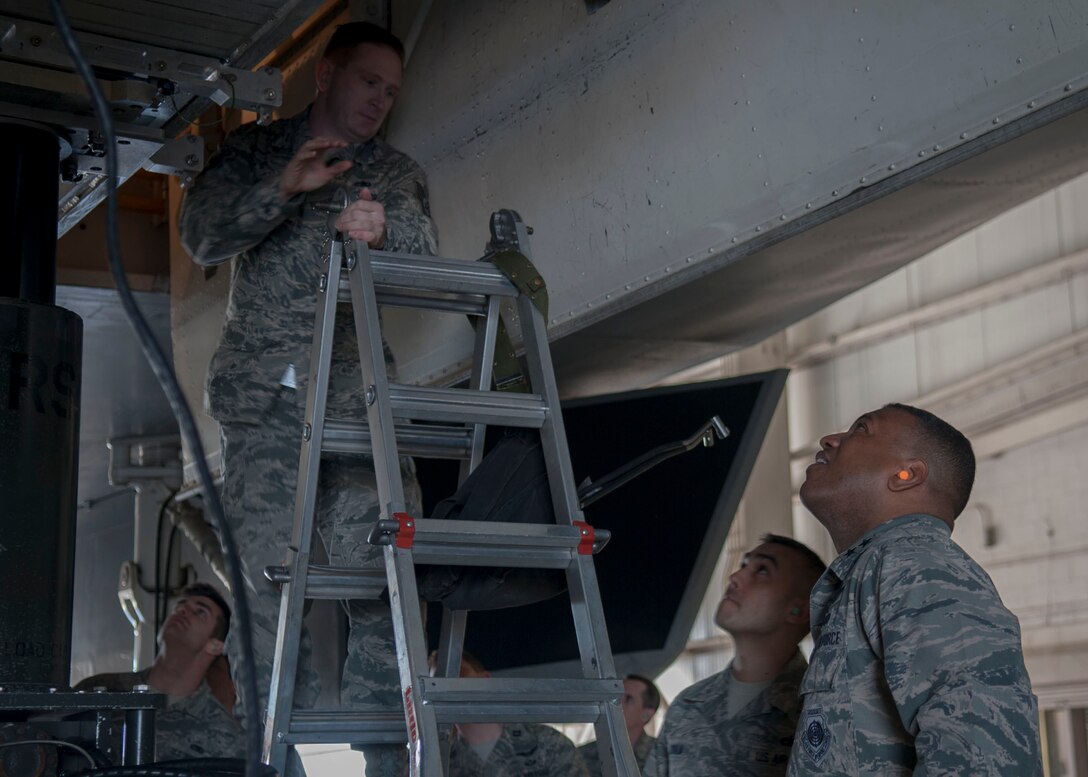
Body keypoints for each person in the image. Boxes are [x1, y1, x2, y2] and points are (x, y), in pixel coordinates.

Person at [178, 21, 436, 777]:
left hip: (354, 410)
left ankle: (387, 762)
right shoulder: (259, 152)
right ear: (325, 75)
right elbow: (200, 234)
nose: (379, 102)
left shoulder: (391, 170)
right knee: (264, 608)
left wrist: (383, 230)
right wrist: (283, 188)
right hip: (264, 404)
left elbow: (425, 249)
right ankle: (267, 768)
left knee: (385, 584)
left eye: (391, 91)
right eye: (367, 83)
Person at [787, 403, 1042, 775]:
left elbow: (984, 754)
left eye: (861, 429)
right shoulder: (876, 570)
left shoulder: (918, 564)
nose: (830, 439)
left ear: (906, 475)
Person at [644, 535, 826, 777]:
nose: (735, 577)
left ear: (798, 610)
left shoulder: (818, 710)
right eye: (743, 566)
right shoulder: (688, 705)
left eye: (762, 570)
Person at [76, 583, 244, 761]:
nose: (183, 610)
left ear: (215, 646)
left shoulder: (225, 738)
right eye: (180, 606)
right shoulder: (99, 690)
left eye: (200, 612)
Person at [442, 652, 590, 777]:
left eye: (460, 672)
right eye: (437, 681)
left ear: (485, 680)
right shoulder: (442, 763)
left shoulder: (546, 743)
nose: (449, 685)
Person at [577, 674, 660, 776]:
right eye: (615, 697)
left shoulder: (664, 757)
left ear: (646, 715)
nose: (616, 704)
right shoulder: (581, 756)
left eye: (628, 699)